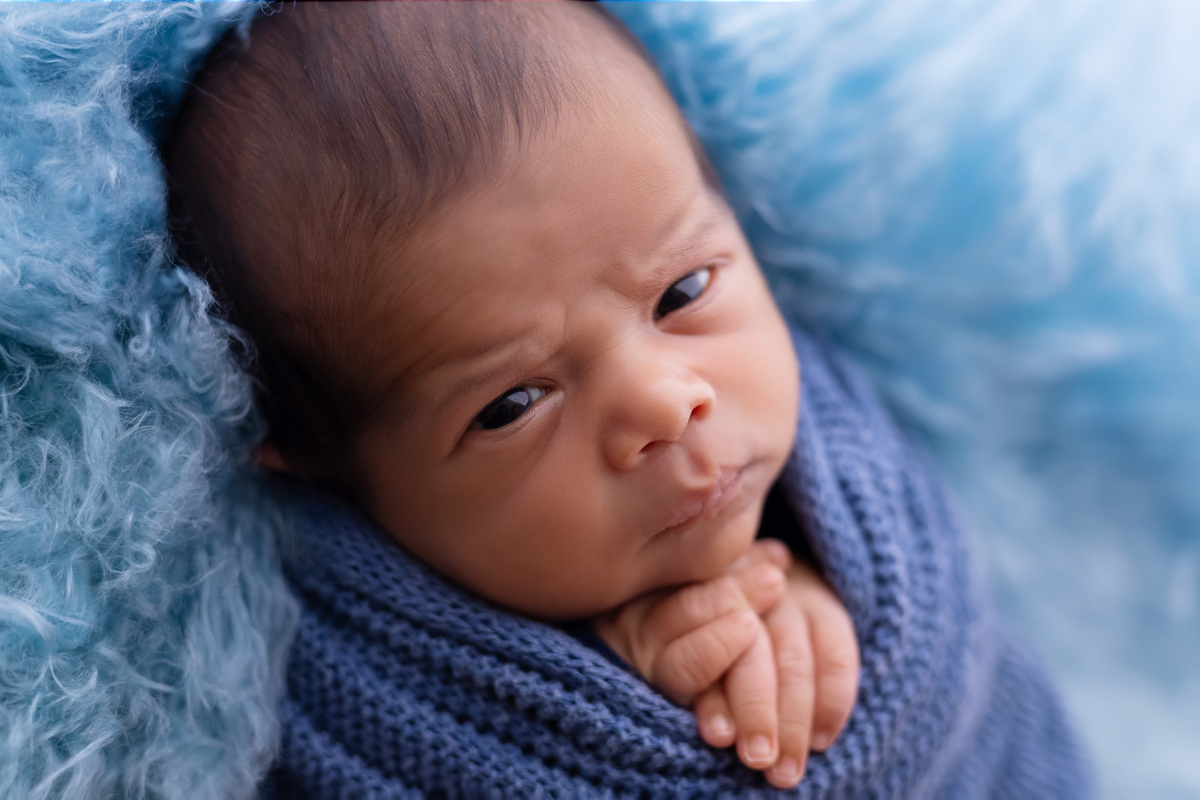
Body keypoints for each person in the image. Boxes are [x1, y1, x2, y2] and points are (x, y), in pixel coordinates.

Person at [164, 3, 1089, 797]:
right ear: (324, 465)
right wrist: (617, 677)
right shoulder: (318, 693)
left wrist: (818, 595)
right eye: (514, 404)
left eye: (683, 293)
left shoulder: (863, 481)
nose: (663, 403)